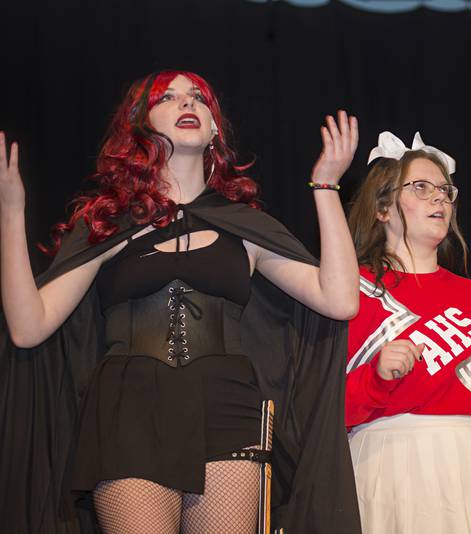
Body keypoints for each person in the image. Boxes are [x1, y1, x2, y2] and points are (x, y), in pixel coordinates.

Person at [0, 70, 362, 533]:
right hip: (128, 407)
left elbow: (339, 299)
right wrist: (11, 212)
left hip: (228, 404)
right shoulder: (111, 224)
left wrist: (327, 187)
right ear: (141, 125)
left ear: (214, 129)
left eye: (198, 98)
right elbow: (29, 327)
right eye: (168, 98)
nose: (186, 104)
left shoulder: (242, 226)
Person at [344, 131, 471, 534]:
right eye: (421, 187)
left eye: (444, 189)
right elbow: (321, 408)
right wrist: (376, 376)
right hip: (389, 473)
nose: (439, 198)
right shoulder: (352, 291)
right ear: (383, 207)